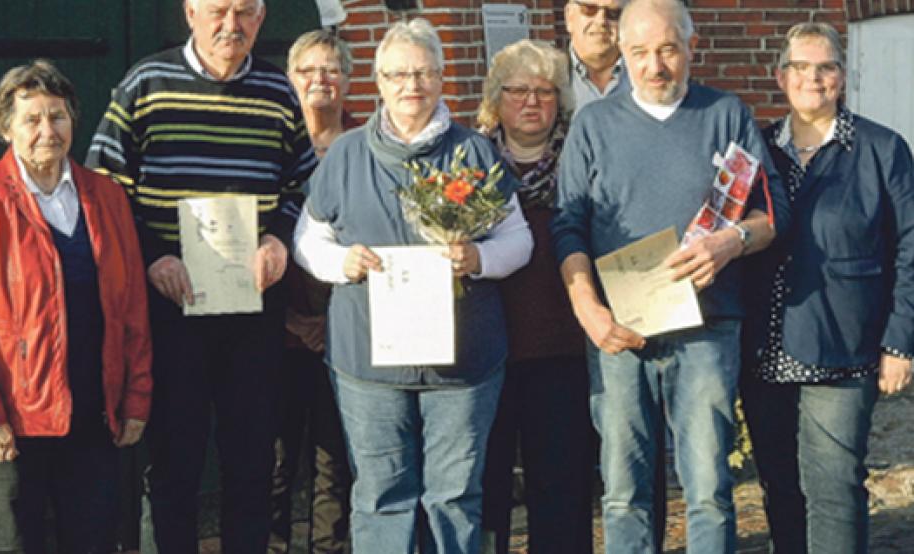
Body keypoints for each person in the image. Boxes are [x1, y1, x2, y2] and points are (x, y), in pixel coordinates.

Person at [550, 0, 791, 551]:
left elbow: (773, 210)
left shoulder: (726, 113)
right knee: (622, 491)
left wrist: (731, 242)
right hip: (618, 333)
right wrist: (588, 309)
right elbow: (569, 226)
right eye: (639, 52)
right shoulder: (593, 125)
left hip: (706, 328)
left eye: (667, 49)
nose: (654, 65)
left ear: (691, 46)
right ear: (622, 53)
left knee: (708, 488)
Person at [293, 18, 533, 554]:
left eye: (423, 73)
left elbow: (520, 241)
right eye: (398, 74)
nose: (411, 86)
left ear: (442, 78)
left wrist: (477, 258)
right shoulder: (347, 155)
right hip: (368, 362)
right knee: (381, 495)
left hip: (463, 363)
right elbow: (306, 241)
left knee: (453, 496)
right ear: (377, 82)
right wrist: (341, 263)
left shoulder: (475, 153)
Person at [85, 0, 316, 551]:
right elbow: (103, 185)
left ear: (262, 18)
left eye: (245, 12)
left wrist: (277, 240)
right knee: (174, 461)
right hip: (171, 303)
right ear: (190, 12)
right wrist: (149, 256)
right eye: (218, 10)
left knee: (252, 461)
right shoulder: (146, 82)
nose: (230, 25)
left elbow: (302, 187)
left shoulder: (279, 91)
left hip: (253, 304)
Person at [0, 59, 152, 554]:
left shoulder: (107, 197)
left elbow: (131, 307)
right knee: (11, 541)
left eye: (58, 116)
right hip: (10, 416)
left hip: (93, 412)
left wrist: (136, 397)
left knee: (93, 538)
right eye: (31, 119)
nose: (46, 131)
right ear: (5, 127)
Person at [740, 22, 914, 554]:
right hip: (766, 347)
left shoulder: (881, 150)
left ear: (842, 77)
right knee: (780, 483)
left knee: (833, 482)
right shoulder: (758, 149)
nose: (813, 78)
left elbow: (911, 246)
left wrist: (900, 342)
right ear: (780, 77)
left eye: (826, 67)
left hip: (844, 345)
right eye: (800, 67)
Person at [474, 40, 592, 554]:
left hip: (561, 350)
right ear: (495, 99)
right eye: (518, 90)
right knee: (484, 485)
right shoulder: (468, 163)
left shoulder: (584, 160)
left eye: (544, 91)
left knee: (561, 486)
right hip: (485, 351)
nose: (531, 102)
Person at [269, 29, 355, 554]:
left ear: (348, 80)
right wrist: (288, 319)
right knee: (275, 463)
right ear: (290, 80)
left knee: (336, 465)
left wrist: (334, 321)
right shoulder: (272, 149)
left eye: (331, 69)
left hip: (347, 334)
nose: (320, 80)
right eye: (308, 70)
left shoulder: (366, 150)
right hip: (276, 335)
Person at [565, 0, 630, 109]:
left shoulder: (646, 78)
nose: (601, 21)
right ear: (569, 17)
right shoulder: (548, 79)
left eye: (613, 13)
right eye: (590, 10)